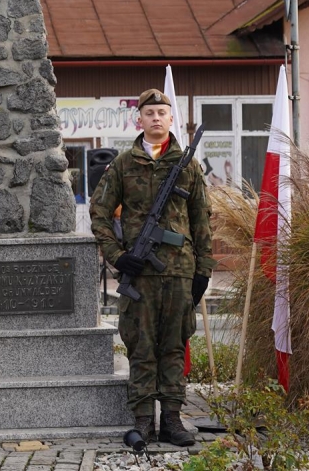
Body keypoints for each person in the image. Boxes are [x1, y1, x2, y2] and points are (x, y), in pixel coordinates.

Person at [90, 89, 215, 447]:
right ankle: (143, 420)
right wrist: (117, 254)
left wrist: (203, 270)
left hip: (179, 272)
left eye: (162, 112)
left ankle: (172, 421)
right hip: (140, 274)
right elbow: (99, 213)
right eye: (149, 113)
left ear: (171, 119)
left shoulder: (187, 165)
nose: (156, 118)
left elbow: (201, 220)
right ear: (139, 119)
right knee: (141, 347)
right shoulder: (124, 164)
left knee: (174, 345)